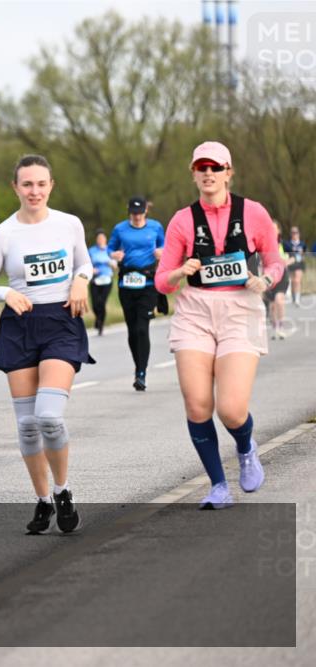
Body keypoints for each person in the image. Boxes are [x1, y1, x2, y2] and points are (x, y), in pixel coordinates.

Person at [154, 141, 284, 509]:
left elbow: (275, 261)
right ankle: (218, 486)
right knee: (198, 406)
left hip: (240, 309)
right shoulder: (182, 220)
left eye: (215, 167)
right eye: (202, 168)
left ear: (228, 172)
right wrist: (180, 271)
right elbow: (162, 281)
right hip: (195, 311)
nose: (208, 173)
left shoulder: (253, 213)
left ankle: (245, 447)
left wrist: (265, 280)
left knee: (230, 409)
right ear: (193, 174)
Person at [0, 154, 93, 535]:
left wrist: (81, 280)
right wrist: (6, 293)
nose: (34, 191)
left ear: (51, 185)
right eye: (27, 184)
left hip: (61, 322)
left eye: (41, 184)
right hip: (20, 325)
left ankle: (63, 490)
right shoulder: (3, 234)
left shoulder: (69, 224)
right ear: (16, 187)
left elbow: (85, 263)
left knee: (49, 417)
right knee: (27, 426)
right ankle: (42, 501)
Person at [107, 196, 165, 390]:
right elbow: (110, 248)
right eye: (133, 213)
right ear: (129, 211)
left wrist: (161, 251)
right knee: (132, 331)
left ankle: (141, 373)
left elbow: (165, 246)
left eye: (140, 213)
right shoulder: (120, 229)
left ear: (146, 211)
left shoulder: (156, 227)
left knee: (142, 328)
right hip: (126, 284)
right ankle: (138, 367)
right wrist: (114, 254)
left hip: (148, 284)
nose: (137, 217)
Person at [264, 222, 291, 340]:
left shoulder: (284, 244)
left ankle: (280, 327)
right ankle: (275, 328)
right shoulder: (263, 243)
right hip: (268, 276)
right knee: (272, 305)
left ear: (279, 231)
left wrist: (287, 261)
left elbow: (294, 256)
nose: (272, 230)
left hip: (282, 275)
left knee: (279, 300)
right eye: (270, 228)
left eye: (274, 228)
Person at [88, 229, 115, 336]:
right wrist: (92, 269)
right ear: (96, 240)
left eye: (102, 238)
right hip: (95, 279)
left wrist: (110, 263)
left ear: (105, 239)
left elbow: (115, 265)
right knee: (95, 304)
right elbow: (86, 264)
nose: (100, 240)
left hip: (107, 279)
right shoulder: (91, 251)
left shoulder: (110, 250)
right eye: (98, 238)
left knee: (102, 302)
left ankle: (100, 324)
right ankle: (97, 318)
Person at [284, 225, 306, 306]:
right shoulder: (287, 244)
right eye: (292, 232)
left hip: (299, 263)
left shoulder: (302, 244)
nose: (294, 234)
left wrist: (301, 256)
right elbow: (285, 254)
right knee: (292, 281)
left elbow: (304, 254)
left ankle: (297, 299)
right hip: (290, 263)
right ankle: (293, 296)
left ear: (299, 233)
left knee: (297, 280)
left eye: (296, 232)